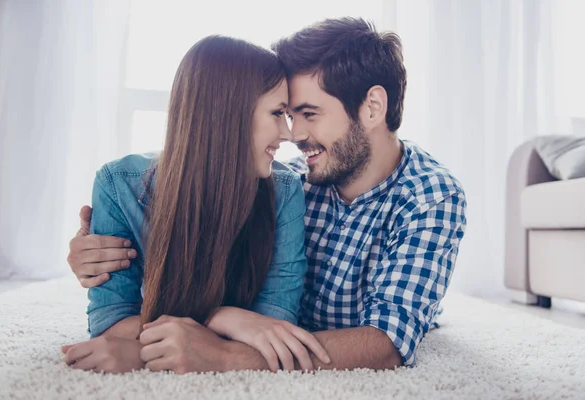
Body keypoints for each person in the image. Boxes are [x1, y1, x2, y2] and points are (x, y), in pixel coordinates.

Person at [67, 17, 467, 372]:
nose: (293, 135)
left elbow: (386, 342)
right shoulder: (286, 180)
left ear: (373, 107)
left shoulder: (430, 197)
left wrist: (225, 357)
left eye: (308, 114)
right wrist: (94, 253)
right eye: (285, 115)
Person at [61, 35, 331, 374]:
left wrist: (142, 348)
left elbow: (273, 325)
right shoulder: (118, 185)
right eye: (277, 113)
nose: (288, 134)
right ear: (228, 114)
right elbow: (110, 322)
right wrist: (226, 319)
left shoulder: (285, 190)